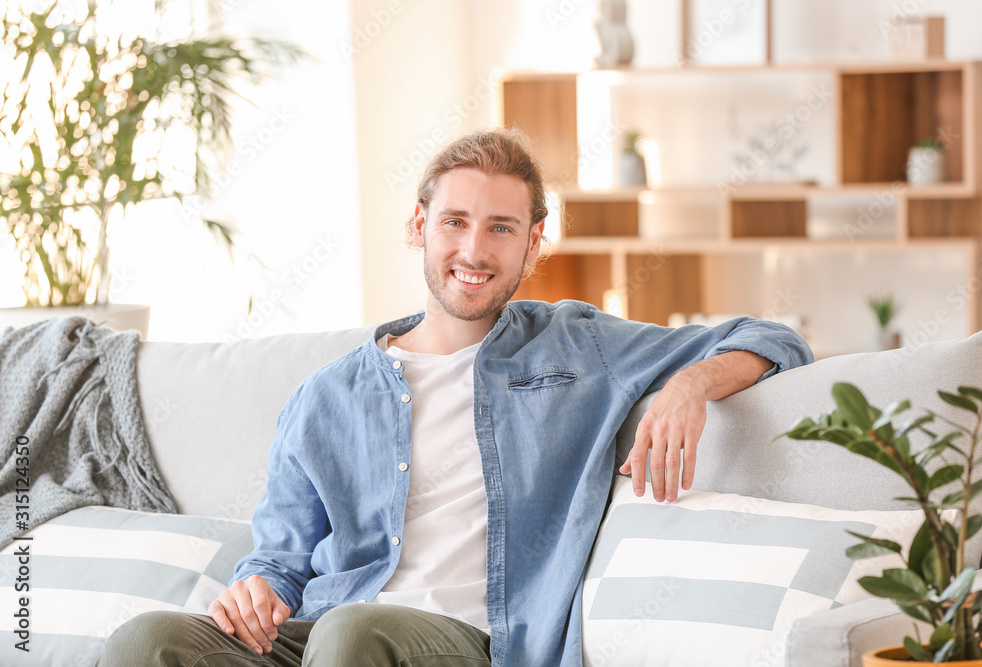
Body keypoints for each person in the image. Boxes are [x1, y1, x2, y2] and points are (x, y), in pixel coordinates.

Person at [99, 128, 813, 666]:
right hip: (323, 637)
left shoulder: (577, 345)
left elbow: (774, 337)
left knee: (354, 633)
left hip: (474, 642)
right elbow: (280, 559)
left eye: (501, 228)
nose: (474, 250)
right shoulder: (326, 395)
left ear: (533, 245)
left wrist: (689, 383)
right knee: (147, 641)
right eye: (455, 222)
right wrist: (256, 588)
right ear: (419, 226)